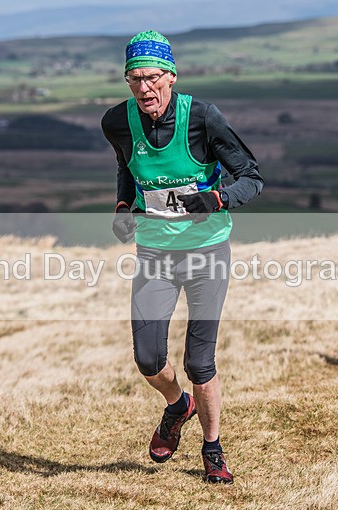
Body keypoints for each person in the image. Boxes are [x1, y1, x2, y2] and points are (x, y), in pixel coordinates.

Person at [102, 30, 263, 483]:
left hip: (206, 252)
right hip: (154, 252)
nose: (144, 88)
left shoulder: (204, 118)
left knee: (199, 361)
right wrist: (122, 206)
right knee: (148, 358)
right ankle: (178, 406)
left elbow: (252, 176)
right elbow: (125, 167)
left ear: (171, 76)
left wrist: (219, 198)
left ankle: (212, 449)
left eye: (152, 77)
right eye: (135, 79)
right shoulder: (117, 122)